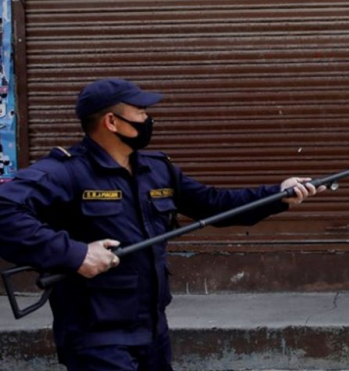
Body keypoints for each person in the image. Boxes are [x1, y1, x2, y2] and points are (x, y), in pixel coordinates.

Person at [0, 78, 320, 371]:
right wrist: (75, 254)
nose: (147, 119)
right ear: (112, 122)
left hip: (153, 332)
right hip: (96, 337)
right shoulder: (66, 172)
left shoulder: (156, 170)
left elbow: (213, 204)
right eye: (139, 111)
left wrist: (277, 195)